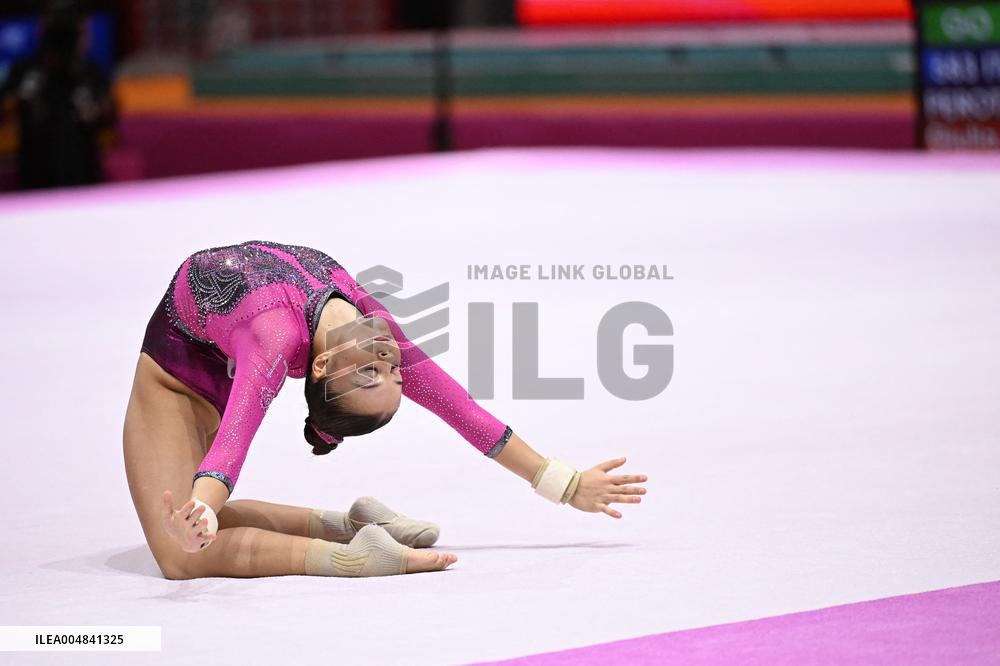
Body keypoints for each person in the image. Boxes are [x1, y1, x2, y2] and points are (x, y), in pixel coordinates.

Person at [123, 240, 648, 580]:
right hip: (212, 358)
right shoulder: (369, 321)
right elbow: (467, 414)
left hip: (176, 380)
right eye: (387, 374)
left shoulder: (277, 337)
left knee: (178, 553)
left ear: (324, 364)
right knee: (196, 524)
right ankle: (350, 526)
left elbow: (230, 448)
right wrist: (567, 483)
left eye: (374, 373)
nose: (390, 362)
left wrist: (568, 486)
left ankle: (351, 559)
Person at [0, 1, 115, 190]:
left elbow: (109, 121)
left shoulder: (89, 71)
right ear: (41, 28)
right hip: (35, 180)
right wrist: (26, 91)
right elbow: (4, 111)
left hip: (84, 178)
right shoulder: (25, 70)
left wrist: (86, 97)